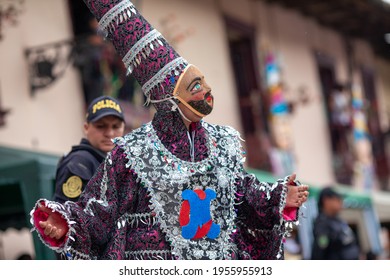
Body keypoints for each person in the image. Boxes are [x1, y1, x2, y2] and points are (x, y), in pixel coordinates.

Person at [30, 0, 309, 260]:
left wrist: (278, 196)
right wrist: (65, 223)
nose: (207, 91)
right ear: (170, 99)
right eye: (195, 86)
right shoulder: (132, 153)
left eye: (204, 82)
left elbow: (244, 195)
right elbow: (100, 211)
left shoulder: (224, 143)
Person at [53, 95, 125, 204]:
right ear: (86, 128)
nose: (110, 133)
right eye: (101, 126)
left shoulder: (112, 162)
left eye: (116, 127)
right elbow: (66, 215)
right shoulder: (80, 162)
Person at [311, 186, 360, 260]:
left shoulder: (338, 220)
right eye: (337, 199)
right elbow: (319, 252)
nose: (341, 202)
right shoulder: (322, 224)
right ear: (326, 200)